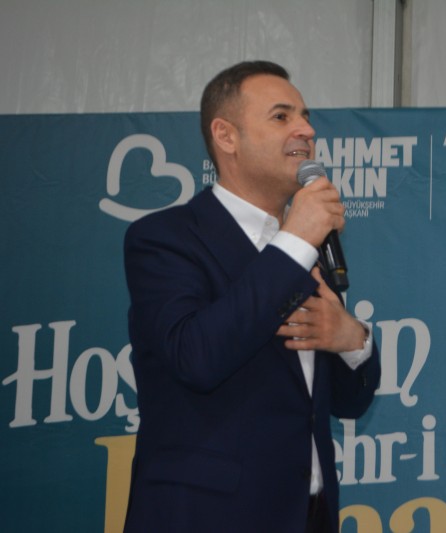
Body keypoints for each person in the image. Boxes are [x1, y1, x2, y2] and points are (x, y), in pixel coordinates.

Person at [122, 60, 380, 533]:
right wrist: (296, 239)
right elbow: (197, 357)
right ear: (226, 136)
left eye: (306, 117)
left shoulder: (307, 250)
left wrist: (352, 340)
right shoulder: (165, 238)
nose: (306, 130)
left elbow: (348, 404)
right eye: (282, 116)